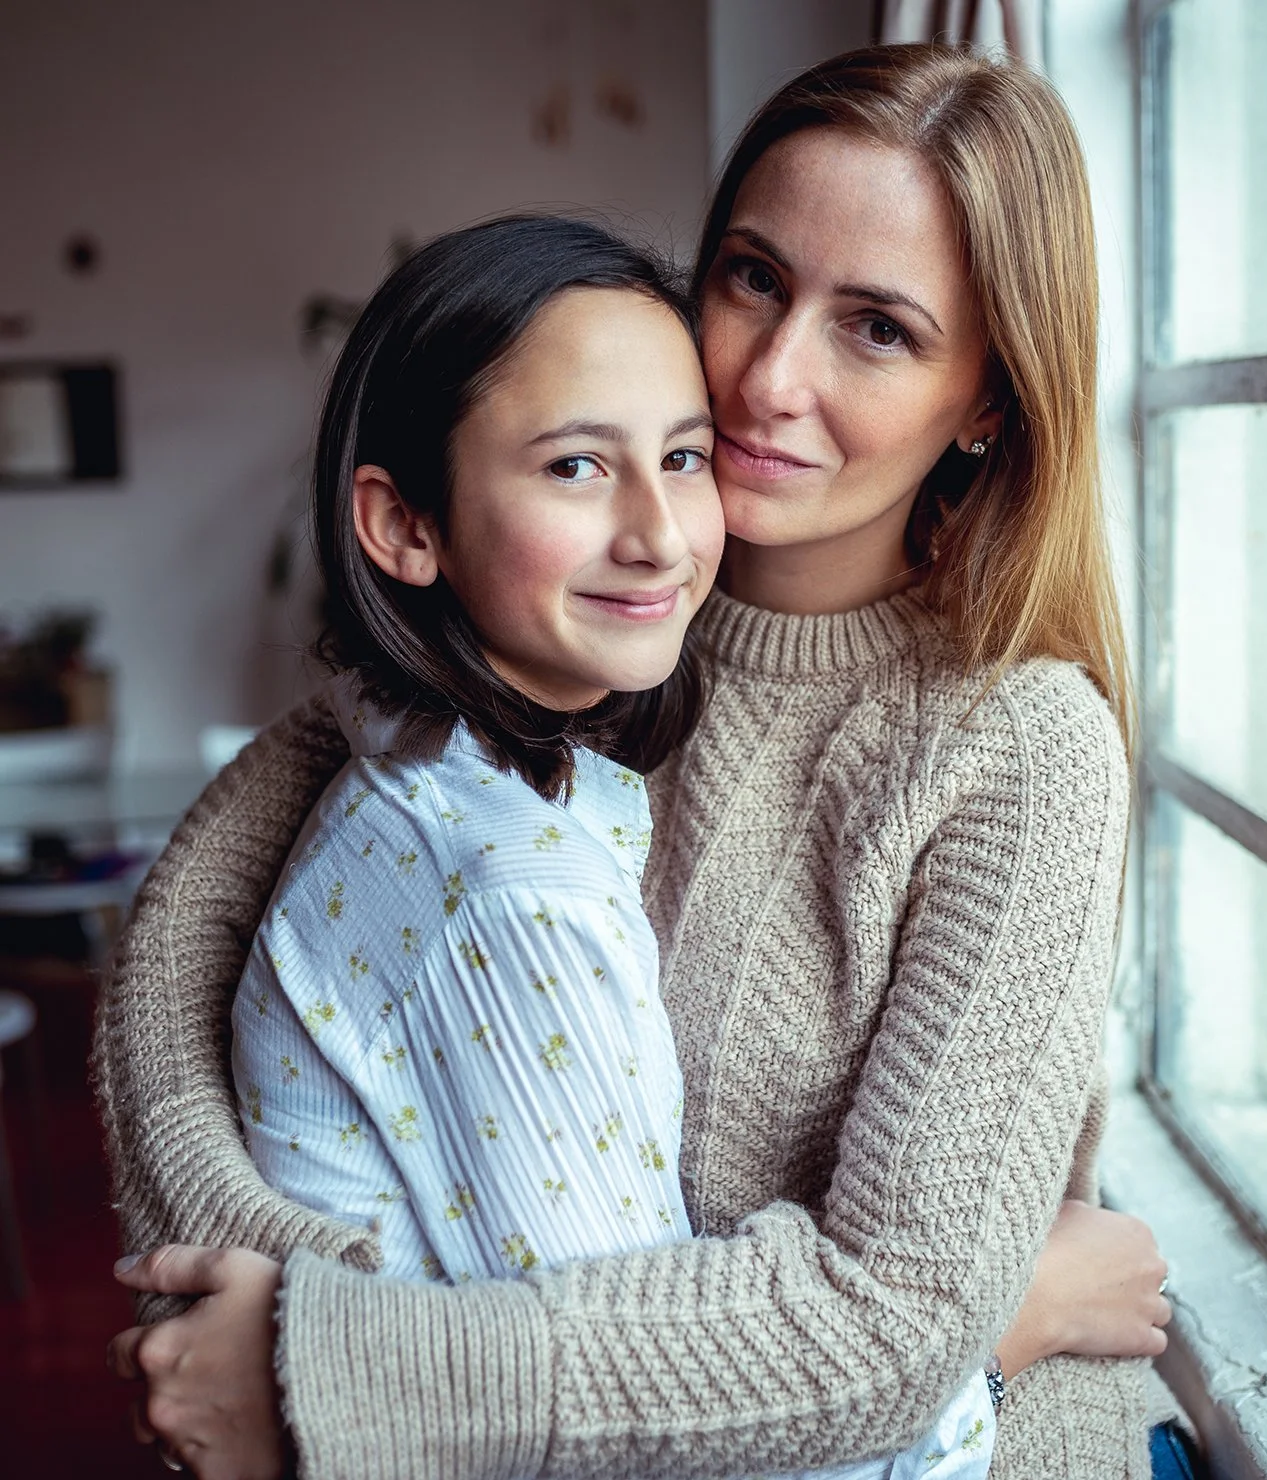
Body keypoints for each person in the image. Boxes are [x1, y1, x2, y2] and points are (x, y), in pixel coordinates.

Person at [98, 42, 1192, 1480]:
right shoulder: (580, 613)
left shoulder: (1016, 744)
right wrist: (295, 1333)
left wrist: (341, 1370)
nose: (767, 377)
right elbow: (171, 963)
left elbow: (894, 1328)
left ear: (988, 397)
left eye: (878, 328)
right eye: (752, 277)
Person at [214, 210, 997, 1480]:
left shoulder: (456, 768)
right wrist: (991, 1351)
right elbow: (662, 1432)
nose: (658, 533)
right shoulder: (508, 889)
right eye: (577, 467)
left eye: (685, 459)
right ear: (403, 526)